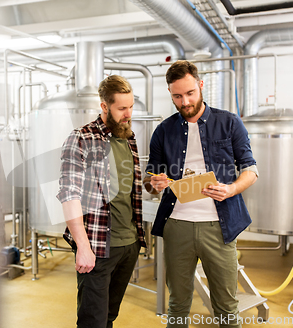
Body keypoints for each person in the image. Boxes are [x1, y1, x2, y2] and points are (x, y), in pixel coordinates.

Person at [144, 60, 258, 328]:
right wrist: (154, 181)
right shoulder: (164, 130)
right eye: (177, 96)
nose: (185, 102)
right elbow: (149, 179)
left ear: (201, 85)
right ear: (170, 94)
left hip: (220, 227)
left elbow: (251, 170)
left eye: (190, 93)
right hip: (177, 225)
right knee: (178, 304)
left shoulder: (229, 123)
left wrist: (230, 189)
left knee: (226, 306)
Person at [57, 75, 146, 328]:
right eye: (122, 108)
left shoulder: (129, 138)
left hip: (129, 244)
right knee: (92, 321)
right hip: (97, 245)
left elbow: (129, 190)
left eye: (130, 107)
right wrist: (83, 247)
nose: (128, 114)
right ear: (104, 106)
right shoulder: (82, 138)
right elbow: (69, 194)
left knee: (108, 315)